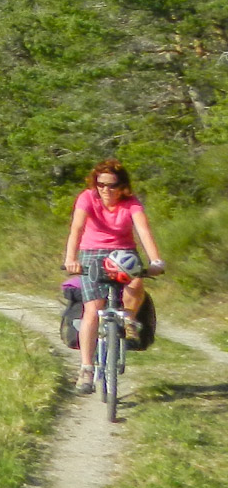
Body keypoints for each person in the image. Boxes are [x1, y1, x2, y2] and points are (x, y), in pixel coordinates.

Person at [63, 159, 165, 395]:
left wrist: (156, 260)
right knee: (92, 309)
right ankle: (86, 369)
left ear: (122, 186)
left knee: (137, 278)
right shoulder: (87, 198)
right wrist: (71, 258)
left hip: (124, 253)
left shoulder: (131, 203)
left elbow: (143, 230)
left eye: (112, 185)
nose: (106, 190)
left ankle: (128, 321)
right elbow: (77, 228)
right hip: (92, 253)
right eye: (101, 184)